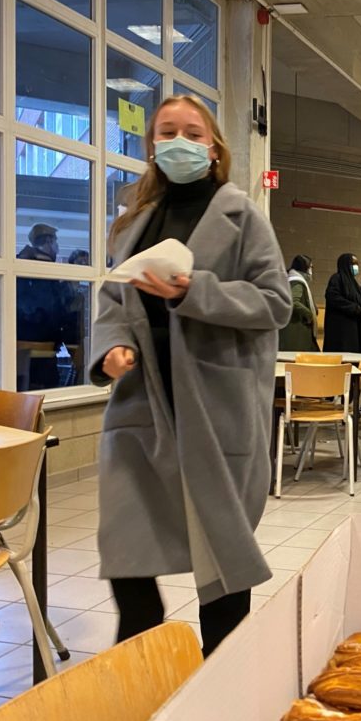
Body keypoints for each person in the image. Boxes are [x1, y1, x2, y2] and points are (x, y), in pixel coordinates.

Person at [89, 94, 292, 655]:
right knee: (126, 553)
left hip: (216, 407)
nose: (180, 142)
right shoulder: (133, 222)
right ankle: (143, 670)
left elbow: (275, 303)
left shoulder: (243, 217)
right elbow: (113, 300)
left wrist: (192, 291)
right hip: (141, 406)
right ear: (152, 146)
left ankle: (221, 676)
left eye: (193, 133)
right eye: (167, 132)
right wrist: (111, 347)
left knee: (221, 561)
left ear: (214, 147)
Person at [18, 223, 73, 389]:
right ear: (49, 241)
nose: (57, 248)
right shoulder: (46, 271)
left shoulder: (20, 265)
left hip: (16, 359)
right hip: (42, 359)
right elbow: (54, 313)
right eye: (56, 242)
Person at [323, 253, 361, 352]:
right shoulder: (337, 278)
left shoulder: (353, 283)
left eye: (357, 264)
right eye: (353, 263)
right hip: (340, 330)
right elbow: (333, 297)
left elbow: (358, 302)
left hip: (354, 328)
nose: (356, 266)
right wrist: (355, 308)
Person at [279, 254, 319, 352]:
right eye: (310, 267)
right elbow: (293, 302)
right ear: (304, 268)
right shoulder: (296, 282)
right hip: (296, 329)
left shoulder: (291, 280)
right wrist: (309, 314)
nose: (311, 270)